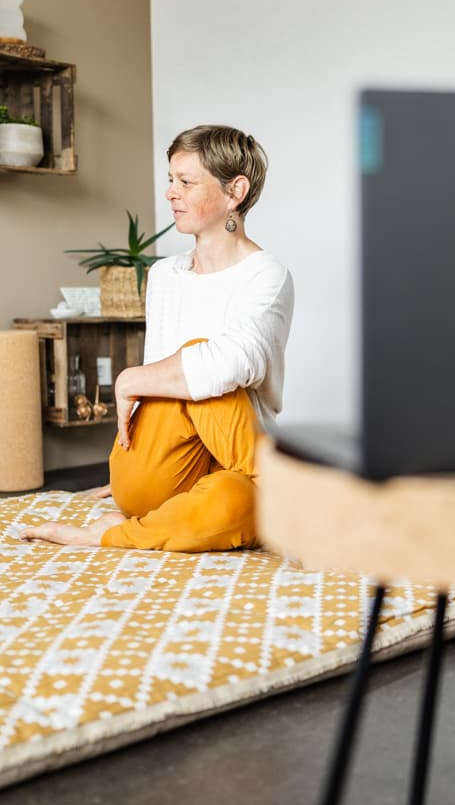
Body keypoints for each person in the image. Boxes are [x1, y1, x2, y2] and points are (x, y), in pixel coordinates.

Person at [20, 124, 294, 552]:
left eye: (186, 181)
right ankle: (277, 493)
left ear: (234, 191)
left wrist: (130, 379)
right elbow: (172, 389)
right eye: (170, 180)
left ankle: (117, 533)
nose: (171, 192)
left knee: (231, 502)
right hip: (161, 466)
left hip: (231, 467)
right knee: (199, 365)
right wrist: (147, 443)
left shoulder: (266, 275)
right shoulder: (165, 276)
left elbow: (236, 360)